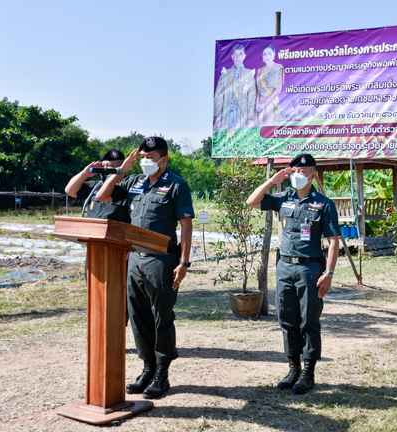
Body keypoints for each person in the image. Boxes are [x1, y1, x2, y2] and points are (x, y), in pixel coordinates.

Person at [96, 136, 194, 400]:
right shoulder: (133, 182)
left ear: (164, 159)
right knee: (138, 317)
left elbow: (186, 225)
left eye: (150, 157)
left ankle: (162, 372)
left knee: (161, 316)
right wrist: (120, 171)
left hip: (161, 260)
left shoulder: (176, 185)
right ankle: (147, 368)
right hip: (135, 259)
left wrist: (183, 262)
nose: (145, 161)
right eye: (142, 157)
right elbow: (102, 195)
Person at [246, 154, 340, 394]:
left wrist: (329, 273)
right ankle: (293, 368)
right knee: (287, 319)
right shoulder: (283, 199)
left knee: (309, 319)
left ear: (313, 175)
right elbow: (251, 201)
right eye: (294, 170)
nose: (297, 175)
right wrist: (271, 181)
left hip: (310, 268)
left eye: (303, 171)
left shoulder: (324, 204)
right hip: (285, 266)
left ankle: (308, 372)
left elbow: (333, 241)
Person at [65, 149, 130, 222]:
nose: (105, 169)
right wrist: (84, 174)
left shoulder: (129, 186)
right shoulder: (96, 186)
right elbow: (70, 191)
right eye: (103, 166)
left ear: (123, 167)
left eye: (109, 166)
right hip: (93, 228)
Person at [213, 44, 257, 130]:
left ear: (244, 56)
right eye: (235, 54)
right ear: (232, 57)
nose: (238, 57)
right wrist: (218, 116)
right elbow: (218, 96)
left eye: (240, 54)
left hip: (242, 116)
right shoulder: (225, 74)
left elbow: (252, 98)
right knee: (226, 136)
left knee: (241, 136)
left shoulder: (249, 75)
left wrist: (251, 118)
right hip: (227, 114)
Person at [256, 44, 284, 126]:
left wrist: (264, 104)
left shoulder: (279, 67)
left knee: (270, 129)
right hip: (260, 105)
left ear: (274, 54)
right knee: (259, 130)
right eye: (265, 54)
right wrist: (257, 103)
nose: (267, 56)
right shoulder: (259, 71)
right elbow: (258, 90)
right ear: (262, 56)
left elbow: (277, 90)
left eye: (269, 53)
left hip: (271, 103)